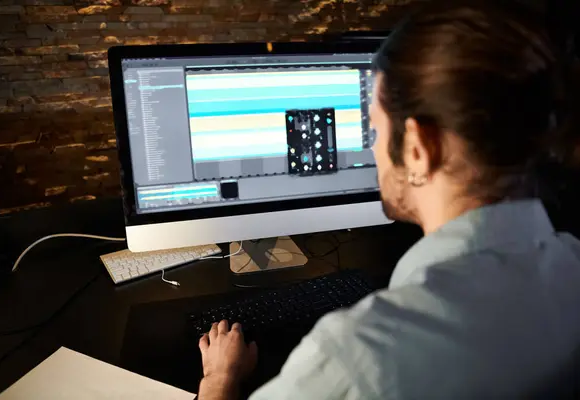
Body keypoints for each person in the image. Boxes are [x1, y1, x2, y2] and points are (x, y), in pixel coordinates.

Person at [197, 1, 580, 398]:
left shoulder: (358, 357)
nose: (373, 154)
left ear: (417, 148)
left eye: (375, 132)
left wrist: (219, 380)